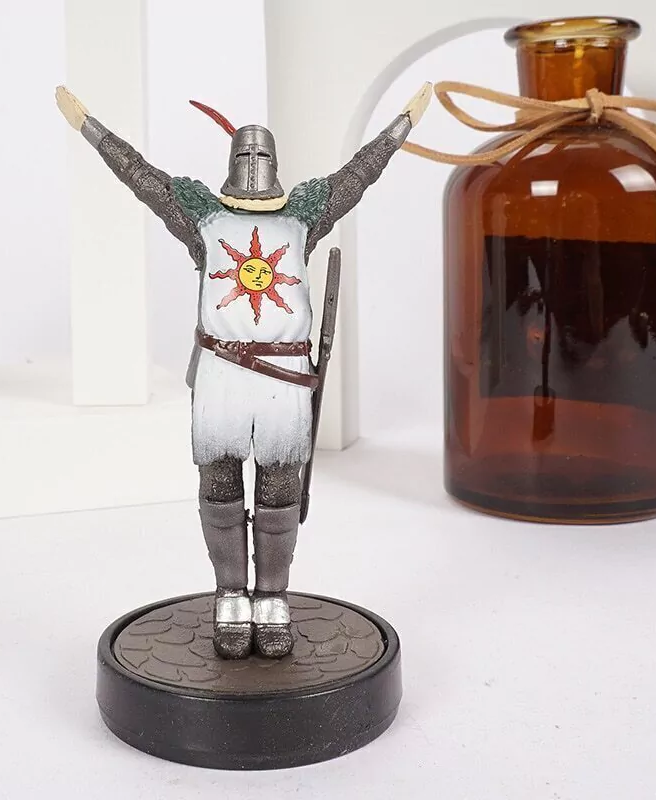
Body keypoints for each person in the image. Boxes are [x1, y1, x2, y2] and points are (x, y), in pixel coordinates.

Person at [56, 82, 431, 659]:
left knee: (280, 489)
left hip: (284, 381)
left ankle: (272, 596)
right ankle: (231, 594)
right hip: (221, 376)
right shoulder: (202, 215)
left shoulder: (303, 215)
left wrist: (400, 126)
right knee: (220, 486)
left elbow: (359, 175)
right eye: (247, 155)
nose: (254, 163)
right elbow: (140, 176)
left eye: (260, 156)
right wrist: (91, 127)